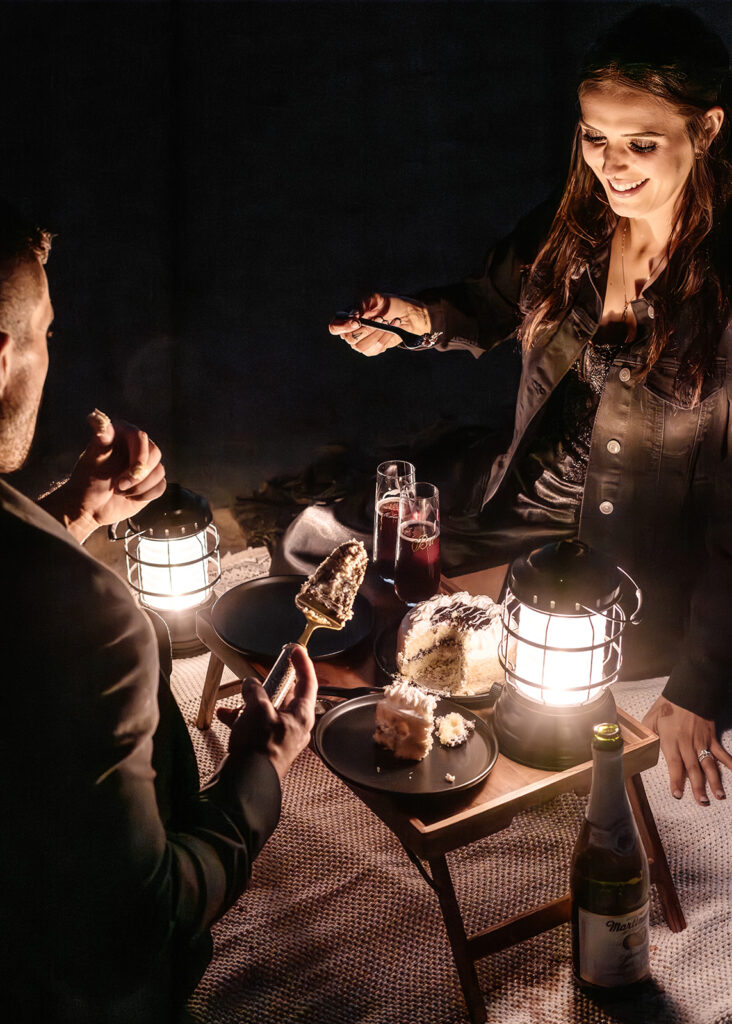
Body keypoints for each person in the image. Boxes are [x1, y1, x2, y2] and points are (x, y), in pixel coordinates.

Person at [330, 4, 732, 807]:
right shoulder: (575, 219)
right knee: (375, 621)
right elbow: (491, 302)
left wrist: (701, 682)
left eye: (641, 143)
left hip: (632, 572)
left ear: (708, 129)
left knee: (504, 703)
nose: (611, 166)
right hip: (525, 513)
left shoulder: (725, 294)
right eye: (594, 137)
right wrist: (416, 321)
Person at [0, 199, 318, 1023]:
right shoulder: (93, 617)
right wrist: (259, 770)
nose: (49, 354)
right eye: (46, 330)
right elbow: (138, 914)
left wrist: (70, 517)